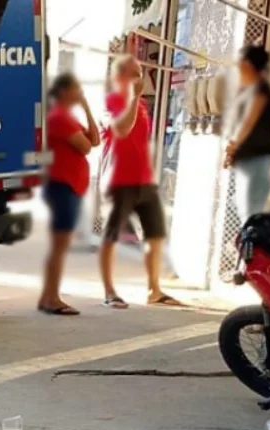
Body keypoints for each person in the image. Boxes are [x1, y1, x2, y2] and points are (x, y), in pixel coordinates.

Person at [99, 55, 178, 309]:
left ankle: (154, 289)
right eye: (134, 73)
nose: (140, 79)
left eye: (140, 73)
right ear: (119, 77)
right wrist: (133, 98)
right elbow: (121, 129)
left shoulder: (141, 104)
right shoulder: (110, 103)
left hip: (143, 179)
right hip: (119, 179)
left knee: (155, 235)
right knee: (111, 236)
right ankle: (109, 291)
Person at [38, 72, 100, 316]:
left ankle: (49, 295)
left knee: (60, 245)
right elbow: (85, 146)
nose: (80, 93)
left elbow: (95, 140)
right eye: (77, 89)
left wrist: (86, 107)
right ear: (64, 92)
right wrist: (83, 106)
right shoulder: (59, 118)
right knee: (59, 245)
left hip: (69, 187)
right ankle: (51, 298)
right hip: (62, 187)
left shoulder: (68, 118)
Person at [224, 45, 270, 222]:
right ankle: (248, 239)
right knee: (246, 210)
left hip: (258, 159)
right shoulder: (249, 89)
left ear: (248, 64)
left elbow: (248, 122)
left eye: (241, 62)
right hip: (249, 159)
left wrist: (233, 147)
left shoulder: (261, 90)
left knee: (251, 211)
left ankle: (252, 240)